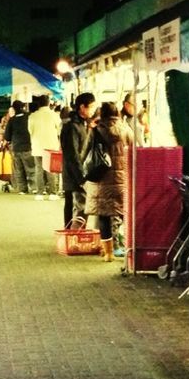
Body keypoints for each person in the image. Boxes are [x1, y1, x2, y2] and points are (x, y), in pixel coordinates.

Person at [84, 102, 133, 262]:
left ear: (102, 113)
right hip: (122, 179)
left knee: (104, 216)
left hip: (102, 180)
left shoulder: (97, 129)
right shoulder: (126, 129)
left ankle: (109, 253)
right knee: (125, 214)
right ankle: (129, 249)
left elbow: (86, 152)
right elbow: (134, 151)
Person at [59, 92, 96, 227]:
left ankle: (70, 235)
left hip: (75, 172)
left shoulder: (81, 124)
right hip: (74, 173)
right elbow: (72, 154)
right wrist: (81, 178)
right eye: (91, 107)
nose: (92, 110)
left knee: (71, 205)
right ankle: (73, 237)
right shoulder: (72, 126)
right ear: (82, 107)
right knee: (77, 207)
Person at [27, 94, 61, 200]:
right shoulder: (54, 115)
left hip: (37, 146)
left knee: (39, 169)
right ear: (48, 103)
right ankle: (53, 193)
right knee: (51, 169)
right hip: (51, 146)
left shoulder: (32, 116)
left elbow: (30, 131)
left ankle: (40, 193)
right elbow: (60, 130)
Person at [2, 100, 35, 194]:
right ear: (23, 107)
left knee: (19, 169)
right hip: (28, 146)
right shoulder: (29, 117)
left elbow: (7, 136)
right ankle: (34, 187)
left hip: (16, 147)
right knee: (31, 169)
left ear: (13, 109)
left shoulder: (12, 120)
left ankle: (22, 189)